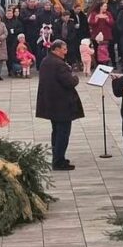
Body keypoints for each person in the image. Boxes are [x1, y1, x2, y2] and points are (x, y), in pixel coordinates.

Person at [36, 40, 84, 171]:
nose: (66, 52)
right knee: (62, 133)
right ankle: (59, 161)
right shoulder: (59, 64)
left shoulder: (46, 61)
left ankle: (57, 157)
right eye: (64, 49)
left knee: (56, 132)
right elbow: (69, 82)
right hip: (62, 104)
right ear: (56, 50)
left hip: (51, 103)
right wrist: (75, 78)